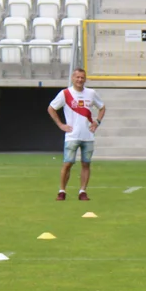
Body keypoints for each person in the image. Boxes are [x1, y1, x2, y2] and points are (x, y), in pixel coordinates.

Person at [47, 68, 105, 201]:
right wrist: (60, 125)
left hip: (88, 135)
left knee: (86, 164)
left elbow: (102, 107)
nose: (79, 80)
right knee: (67, 163)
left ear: (85, 79)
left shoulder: (91, 93)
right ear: (73, 78)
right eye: (77, 77)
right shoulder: (65, 93)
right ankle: (62, 191)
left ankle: (82, 191)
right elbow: (51, 108)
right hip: (72, 135)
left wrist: (97, 122)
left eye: (82, 78)